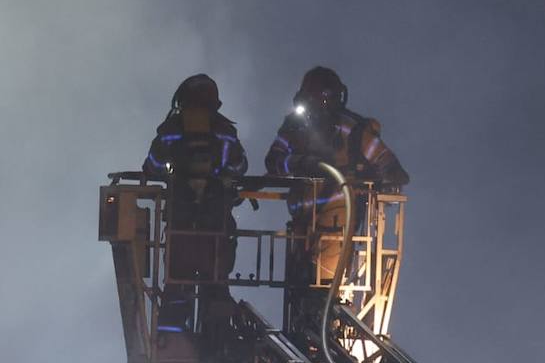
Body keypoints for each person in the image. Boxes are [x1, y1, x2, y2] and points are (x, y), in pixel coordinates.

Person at [265, 67, 408, 284]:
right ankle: (313, 309)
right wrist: (299, 163)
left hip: (337, 222)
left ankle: (323, 310)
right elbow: (274, 161)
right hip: (302, 223)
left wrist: (379, 182)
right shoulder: (295, 128)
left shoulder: (352, 130)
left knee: (323, 289)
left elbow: (391, 168)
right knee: (300, 288)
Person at [142, 74, 247, 338]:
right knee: (216, 280)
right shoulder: (224, 131)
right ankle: (218, 334)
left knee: (178, 281)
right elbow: (239, 166)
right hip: (217, 222)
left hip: (181, 220)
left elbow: (153, 165)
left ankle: (170, 337)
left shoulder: (172, 129)